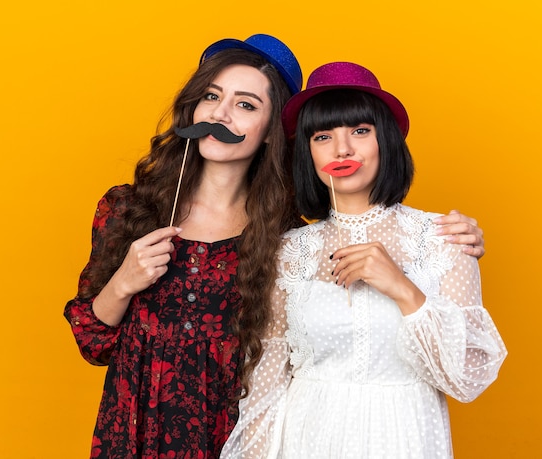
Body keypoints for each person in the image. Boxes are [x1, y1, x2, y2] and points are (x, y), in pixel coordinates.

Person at [64, 33, 485, 457]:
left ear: (270, 133)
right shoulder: (128, 209)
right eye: (211, 96)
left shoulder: (281, 233)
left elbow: (280, 362)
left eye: (246, 105)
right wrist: (123, 282)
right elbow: (93, 342)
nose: (221, 114)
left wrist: (446, 247)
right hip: (138, 423)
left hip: (231, 425)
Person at [220, 62, 507, 459]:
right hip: (307, 439)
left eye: (359, 131)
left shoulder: (446, 239)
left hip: (405, 437)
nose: (342, 149)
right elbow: (266, 382)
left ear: (385, 140)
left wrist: (402, 289)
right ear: (307, 152)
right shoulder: (288, 252)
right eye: (323, 136)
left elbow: (467, 375)